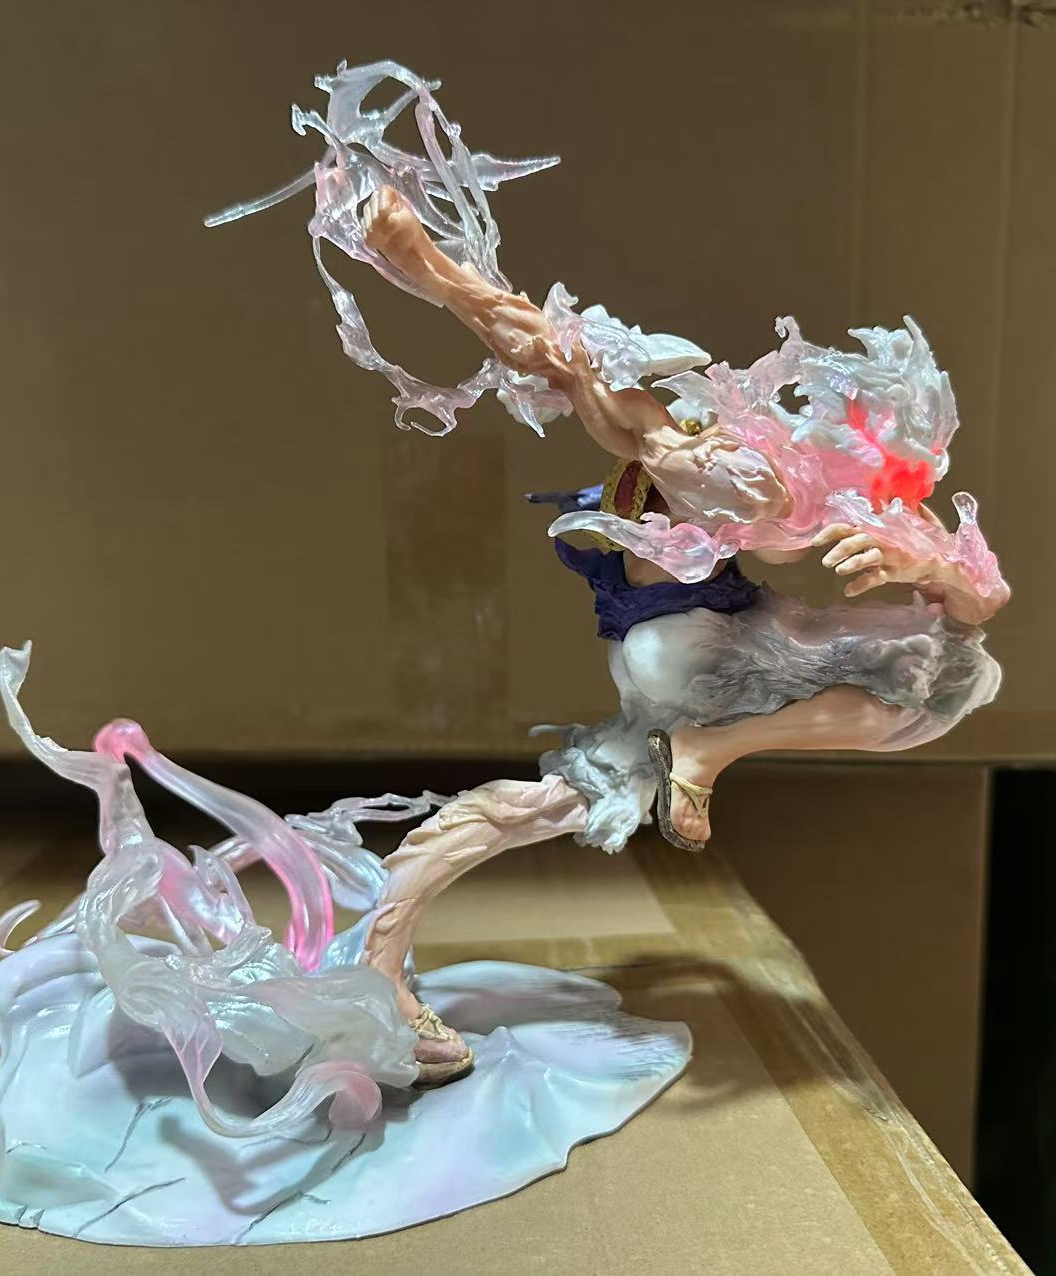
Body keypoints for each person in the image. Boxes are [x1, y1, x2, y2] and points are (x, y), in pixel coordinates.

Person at [350, 187, 1008, 1082]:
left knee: (569, 796)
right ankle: (705, 752)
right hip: (701, 648)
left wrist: (420, 259)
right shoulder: (730, 459)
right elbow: (546, 348)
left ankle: (378, 963)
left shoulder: (802, 475)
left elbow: (981, 597)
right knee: (946, 678)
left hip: (675, 645)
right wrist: (420, 258)